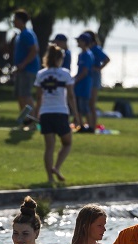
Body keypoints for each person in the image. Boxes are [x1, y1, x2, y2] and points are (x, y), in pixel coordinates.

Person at [34, 44, 79, 186]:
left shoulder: (41, 74)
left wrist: (36, 114)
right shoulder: (65, 73)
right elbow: (71, 96)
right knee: (67, 143)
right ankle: (57, 167)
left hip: (45, 113)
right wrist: (76, 115)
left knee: (49, 147)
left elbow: (39, 97)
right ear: (59, 58)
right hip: (60, 112)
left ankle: (49, 178)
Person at [11, 9, 40, 117]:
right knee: (20, 95)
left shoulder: (27, 34)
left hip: (28, 69)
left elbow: (34, 50)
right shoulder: (20, 34)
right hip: (21, 70)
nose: (13, 22)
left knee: (25, 95)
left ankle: (32, 121)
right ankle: (25, 120)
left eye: (15, 19)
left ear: (21, 20)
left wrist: (23, 63)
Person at [84, 30, 110, 131]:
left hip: (94, 78)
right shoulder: (88, 50)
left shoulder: (96, 49)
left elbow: (107, 59)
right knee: (87, 103)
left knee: (91, 104)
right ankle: (89, 124)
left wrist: (98, 68)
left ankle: (93, 126)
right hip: (88, 78)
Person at [73, 33, 95, 131]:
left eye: (79, 41)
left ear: (84, 42)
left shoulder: (87, 54)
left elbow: (85, 71)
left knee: (84, 106)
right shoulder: (81, 54)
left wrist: (75, 80)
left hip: (85, 84)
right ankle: (81, 126)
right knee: (78, 107)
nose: (77, 42)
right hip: (80, 84)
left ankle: (90, 127)